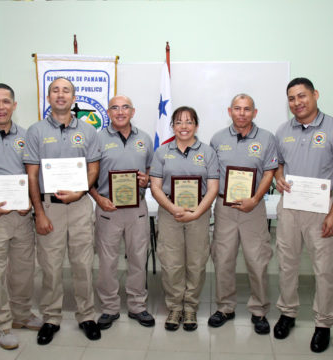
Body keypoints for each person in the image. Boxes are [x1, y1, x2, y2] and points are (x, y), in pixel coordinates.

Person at [24, 77, 101, 345]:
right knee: (50, 266)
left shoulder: (89, 131)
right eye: (55, 90)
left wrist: (81, 191)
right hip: (49, 207)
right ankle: (51, 318)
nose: (60, 94)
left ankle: (86, 315)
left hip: (80, 206)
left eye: (65, 90)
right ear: (48, 98)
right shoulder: (35, 131)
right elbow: (32, 176)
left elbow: (93, 169)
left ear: (73, 97)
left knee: (82, 265)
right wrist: (39, 213)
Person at [0, 84, 41, 350]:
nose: (1, 106)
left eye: (6, 101)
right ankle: (1, 325)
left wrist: (30, 203)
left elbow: (33, 176)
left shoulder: (27, 136)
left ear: (14, 105)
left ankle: (21, 315)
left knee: (24, 271)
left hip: (22, 216)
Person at [208, 94, 277, 335]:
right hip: (224, 207)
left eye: (247, 109)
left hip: (253, 207)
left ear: (254, 113)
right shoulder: (217, 139)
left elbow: (269, 172)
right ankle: (225, 307)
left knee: (257, 260)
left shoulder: (267, 138)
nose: (242, 113)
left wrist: (255, 199)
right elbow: (212, 174)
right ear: (229, 111)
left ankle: (259, 311)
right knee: (223, 258)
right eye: (237, 108)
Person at [274, 78, 333, 353]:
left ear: (315, 95)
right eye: (291, 98)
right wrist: (278, 178)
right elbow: (278, 165)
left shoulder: (331, 127)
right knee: (287, 264)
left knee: (324, 270)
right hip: (290, 207)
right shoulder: (283, 130)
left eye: (302, 96)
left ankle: (323, 324)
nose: (297, 102)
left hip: (323, 210)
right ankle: (288, 313)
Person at [150, 106, 219, 331]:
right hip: (170, 212)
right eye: (179, 122)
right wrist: (171, 208)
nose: (184, 126)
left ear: (196, 126)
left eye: (189, 122)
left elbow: (213, 187)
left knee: (196, 262)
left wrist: (198, 212)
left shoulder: (207, 152)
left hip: (198, 213)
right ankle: (174, 307)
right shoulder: (161, 152)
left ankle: (190, 306)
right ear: (172, 126)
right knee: (171, 262)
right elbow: (156, 187)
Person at [90, 95, 155, 330]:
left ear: (132, 111)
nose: (120, 111)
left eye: (125, 107)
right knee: (107, 261)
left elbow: (151, 171)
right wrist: (99, 199)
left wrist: (147, 180)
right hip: (108, 209)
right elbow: (89, 176)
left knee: (138, 258)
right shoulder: (96, 139)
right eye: (115, 108)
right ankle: (109, 307)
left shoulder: (145, 139)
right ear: (108, 113)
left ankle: (138, 305)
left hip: (137, 208)